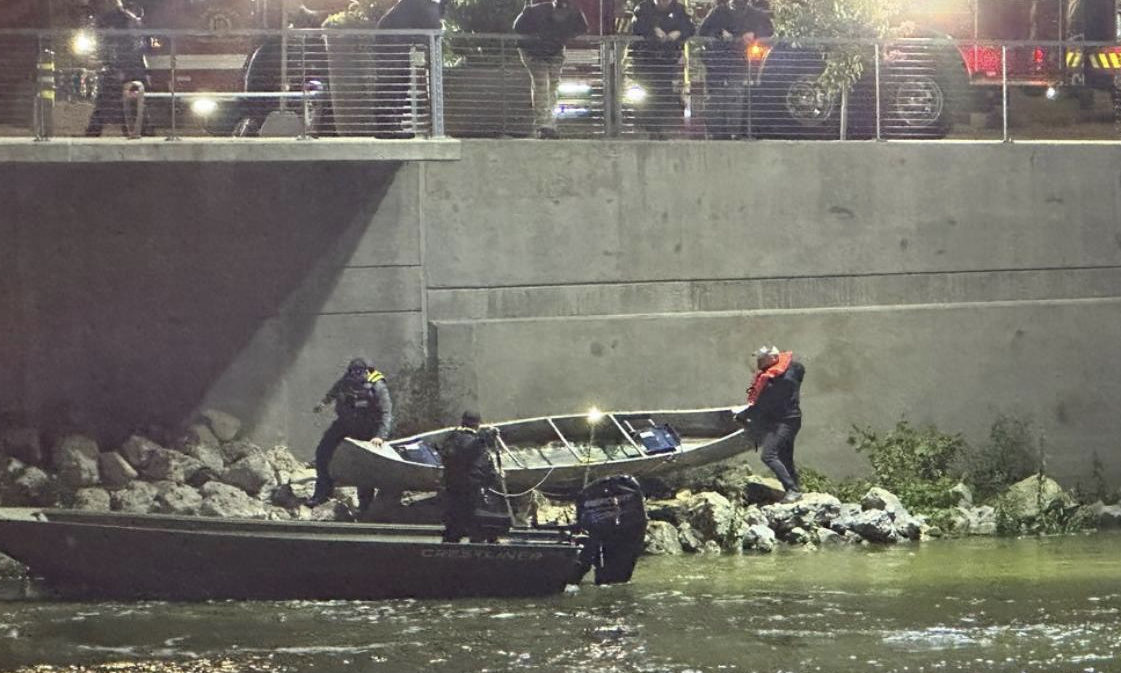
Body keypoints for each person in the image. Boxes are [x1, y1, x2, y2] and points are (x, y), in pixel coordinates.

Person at [308, 357, 393, 508]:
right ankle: (322, 493)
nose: (356, 377)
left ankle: (365, 503)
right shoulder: (345, 381)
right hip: (345, 424)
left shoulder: (377, 386)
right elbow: (333, 392)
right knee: (322, 452)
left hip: (368, 428)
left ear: (367, 372)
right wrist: (323, 403)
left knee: (364, 464)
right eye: (354, 373)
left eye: (360, 373)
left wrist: (380, 436)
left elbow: (386, 413)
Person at [737, 346, 805, 503]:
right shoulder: (793, 368)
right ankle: (795, 487)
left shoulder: (775, 381)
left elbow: (762, 405)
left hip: (784, 422)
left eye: (761, 359)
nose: (758, 362)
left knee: (768, 455)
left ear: (772, 358)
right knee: (785, 456)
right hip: (792, 419)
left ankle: (793, 490)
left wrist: (743, 416)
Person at [513, 0, 589, 139]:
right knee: (542, 84)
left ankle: (549, 124)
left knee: (552, 86)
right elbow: (517, 27)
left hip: (554, 50)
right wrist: (534, 37)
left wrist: (564, 37)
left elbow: (583, 28)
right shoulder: (536, 12)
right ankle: (543, 125)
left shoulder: (574, 13)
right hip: (532, 52)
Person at [374, 0, 443, 138]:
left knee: (398, 79)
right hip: (392, 38)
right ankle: (388, 127)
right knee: (395, 80)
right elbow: (432, 25)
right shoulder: (428, 4)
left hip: (393, 36)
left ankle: (391, 125)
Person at [629, 0, 694, 139]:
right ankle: (649, 128)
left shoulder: (679, 9)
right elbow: (636, 26)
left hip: (667, 61)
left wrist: (679, 32)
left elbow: (690, 28)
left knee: (664, 94)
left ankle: (658, 128)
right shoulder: (643, 8)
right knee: (647, 94)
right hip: (646, 61)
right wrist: (653, 30)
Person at [698, 0, 762, 139]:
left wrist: (753, 33)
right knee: (715, 99)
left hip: (737, 63)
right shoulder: (718, 12)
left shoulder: (753, 14)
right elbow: (702, 31)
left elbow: (768, 28)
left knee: (735, 97)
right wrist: (720, 33)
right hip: (716, 64)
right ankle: (715, 134)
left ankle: (734, 133)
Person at [84, 0, 150, 137]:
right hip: (128, 68)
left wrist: (114, 65)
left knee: (110, 101)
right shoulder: (128, 20)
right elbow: (135, 46)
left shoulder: (116, 19)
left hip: (123, 68)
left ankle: (95, 130)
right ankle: (137, 130)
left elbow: (118, 45)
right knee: (127, 102)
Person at [439, 410, 500, 543]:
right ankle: (477, 544)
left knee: (454, 520)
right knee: (476, 519)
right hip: (472, 486)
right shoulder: (478, 442)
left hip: (452, 485)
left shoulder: (452, 439)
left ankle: (449, 546)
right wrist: (492, 479)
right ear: (478, 424)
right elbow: (483, 465)